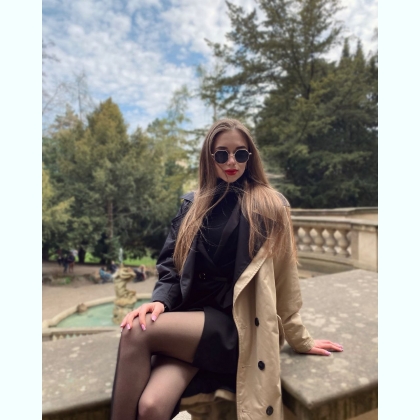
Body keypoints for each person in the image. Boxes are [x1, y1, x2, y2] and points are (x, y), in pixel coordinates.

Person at [110, 119, 343, 420]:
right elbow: (170, 266)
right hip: (191, 324)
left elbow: (286, 282)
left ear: (250, 157)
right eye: (222, 154)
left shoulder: (271, 206)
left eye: (240, 154)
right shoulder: (192, 205)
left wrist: (301, 339)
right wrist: (161, 301)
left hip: (237, 329)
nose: (231, 161)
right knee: (152, 407)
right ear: (210, 158)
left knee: (135, 332)